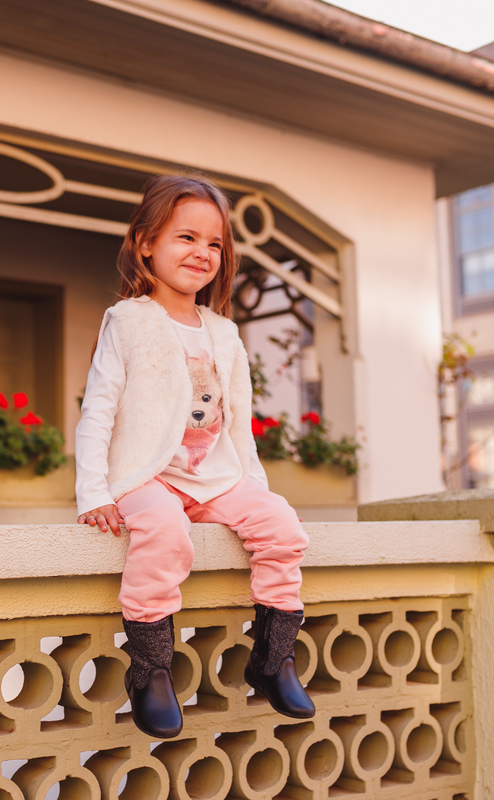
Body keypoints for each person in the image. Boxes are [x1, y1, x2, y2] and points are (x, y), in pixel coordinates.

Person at [75, 173, 315, 739]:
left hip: (213, 476)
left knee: (283, 528)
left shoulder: (225, 333)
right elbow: (99, 410)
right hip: (146, 474)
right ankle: (152, 670)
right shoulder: (128, 322)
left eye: (214, 244)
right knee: (164, 535)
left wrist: (254, 487)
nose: (202, 253)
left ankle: (273, 657)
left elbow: (237, 420)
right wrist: (95, 491)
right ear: (146, 243)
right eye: (186, 237)